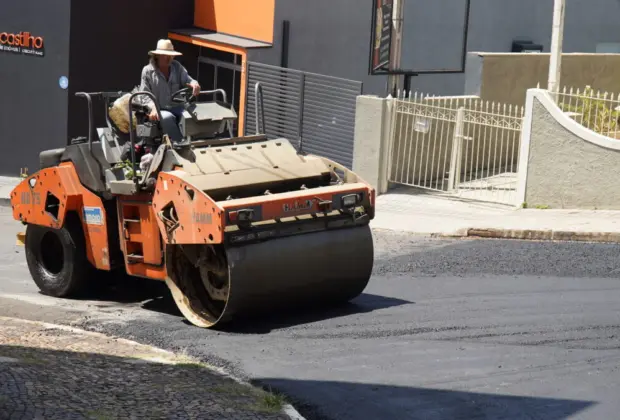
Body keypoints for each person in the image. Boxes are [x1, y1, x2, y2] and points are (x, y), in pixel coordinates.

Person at [138, 39, 201, 142]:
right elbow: (145, 95)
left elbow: (188, 80)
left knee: (192, 114)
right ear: (157, 56)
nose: (169, 59)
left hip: (178, 106)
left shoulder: (177, 67)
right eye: (165, 56)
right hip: (159, 109)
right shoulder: (148, 71)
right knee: (167, 117)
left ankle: (199, 141)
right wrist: (153, 108)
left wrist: (195, 84)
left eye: (171, 56)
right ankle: (180, 145)